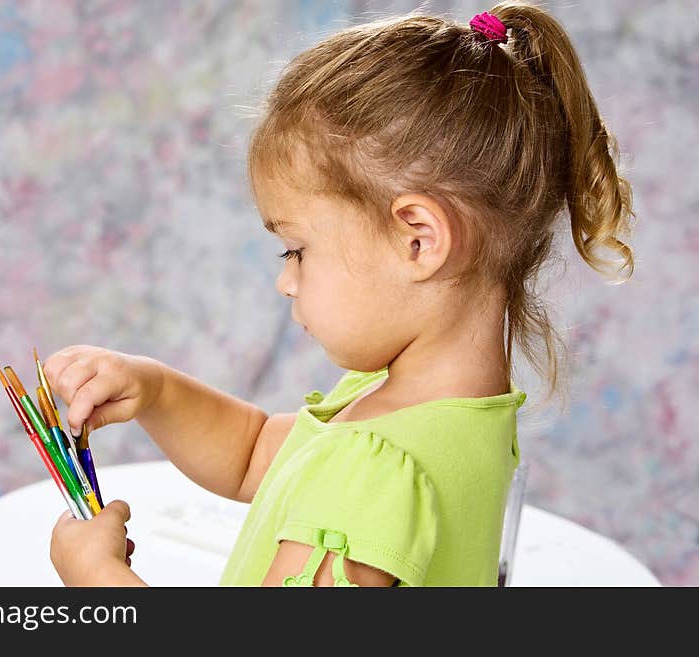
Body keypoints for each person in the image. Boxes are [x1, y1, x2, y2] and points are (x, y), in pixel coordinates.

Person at [42, 1, 635, 587]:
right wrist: (158, 391)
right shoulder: (437, 414)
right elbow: (256, 457)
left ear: (418, 242)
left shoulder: (372, 471)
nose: (286, 280)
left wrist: (96, 576)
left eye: (296, 250)